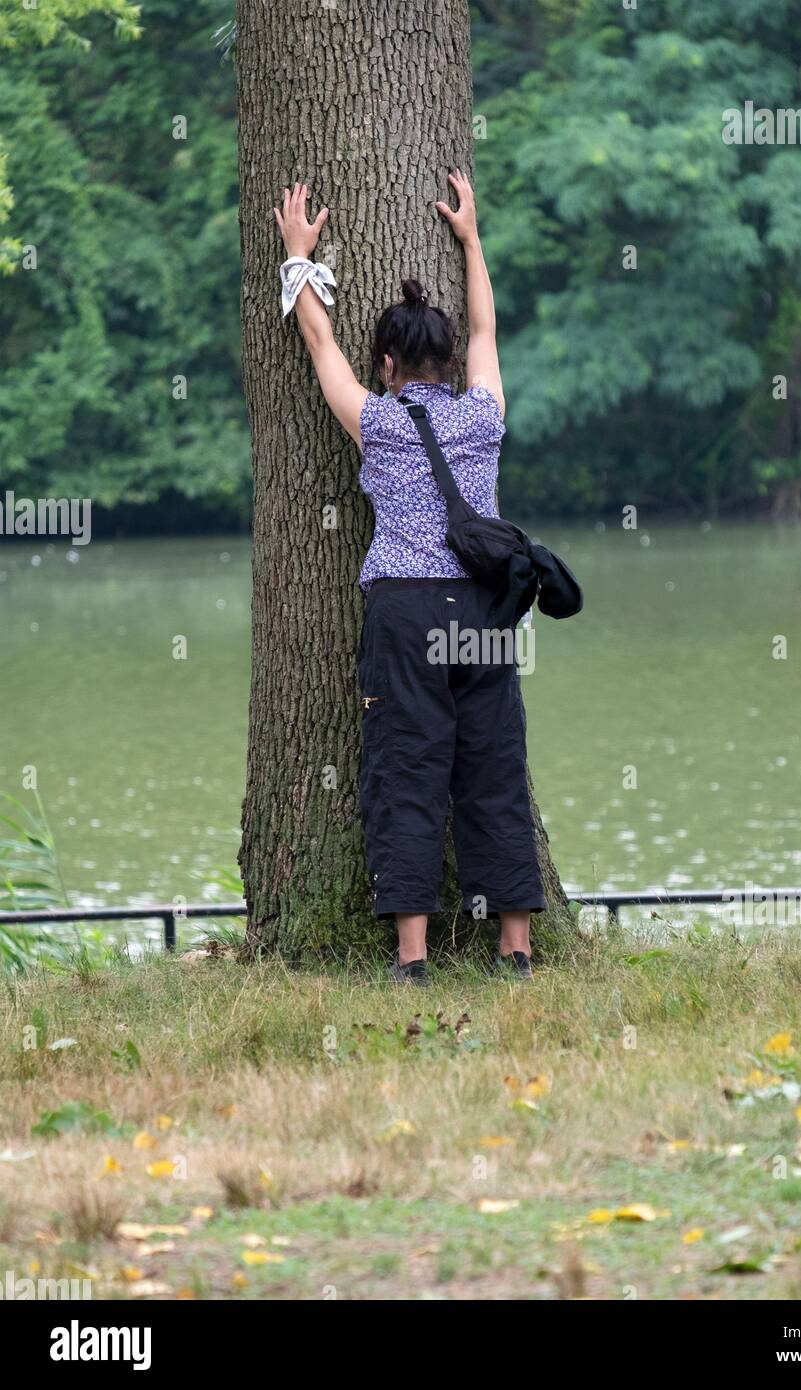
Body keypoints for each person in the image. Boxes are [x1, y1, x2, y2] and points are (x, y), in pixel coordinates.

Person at [273, 171, 543, 983]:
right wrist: (470, 239)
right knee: (494, 766)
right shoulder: (483, 415)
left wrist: (297, 256)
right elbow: (489, 331)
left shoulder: (377, 420)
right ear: (451, 360)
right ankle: (516, 950)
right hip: (483, 614)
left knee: (408, 769)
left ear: (387, 363)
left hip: (404, 611)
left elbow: (319, 342)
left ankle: (413, 957)